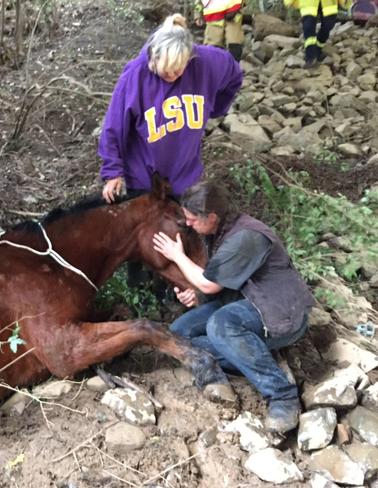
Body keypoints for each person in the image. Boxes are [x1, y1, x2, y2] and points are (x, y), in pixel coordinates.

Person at [152, 181, 314, 433]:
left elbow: (208, 283)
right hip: (246, 302)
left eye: (193, 220)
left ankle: (283, 396)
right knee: (177, 336)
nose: (189, 225)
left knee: (222, 325)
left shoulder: (246, 237)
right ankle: (255, 355)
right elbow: (218, 284)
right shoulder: (217, 232)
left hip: (280, 312)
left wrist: (178, 256)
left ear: (212, 216)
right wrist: (194, 297)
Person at [98, 13, 242, 288]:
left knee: (183, 229)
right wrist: (112, 171)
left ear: (190, 58)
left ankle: (176, 286)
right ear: (153, 59)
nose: (173, 76)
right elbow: (114, 126)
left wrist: (218, 106)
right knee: (141, 228)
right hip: (144, 172)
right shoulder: (136, 75)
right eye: (165, 72)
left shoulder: (207, 62)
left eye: (179, 70)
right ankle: (138, 285)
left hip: (185, 169)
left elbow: (235, 74)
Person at [284, 0, 352, 68]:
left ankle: (318, 49)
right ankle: (310, 57)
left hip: (329, 3)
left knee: (328, 25)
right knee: (308, 26)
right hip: (308, 3)